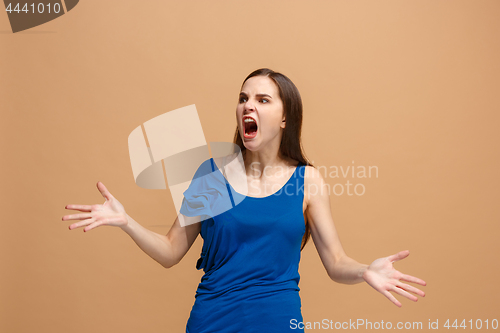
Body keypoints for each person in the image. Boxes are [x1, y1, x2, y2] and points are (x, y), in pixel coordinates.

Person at [62, 68, 426, 332]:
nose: (247, 106)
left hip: (278, 322)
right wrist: (127, 222)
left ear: (285, 118)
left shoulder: (307, 181)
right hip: (212, 322)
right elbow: (171, 251)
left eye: (262, 99)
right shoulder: (212, 176)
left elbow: (336, 262)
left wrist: (365, 271)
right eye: (243, 98)